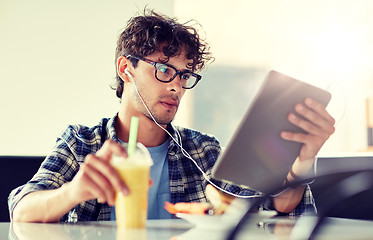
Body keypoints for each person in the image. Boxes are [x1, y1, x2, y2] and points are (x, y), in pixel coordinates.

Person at [8, 9, 335, 223]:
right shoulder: (81, 143)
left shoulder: (202, 151)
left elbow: (272, 214)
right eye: (164, 70)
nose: (177, 87)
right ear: (127, 69)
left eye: (184, 75)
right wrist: (74, 190)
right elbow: (22, 208)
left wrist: (300, 164)